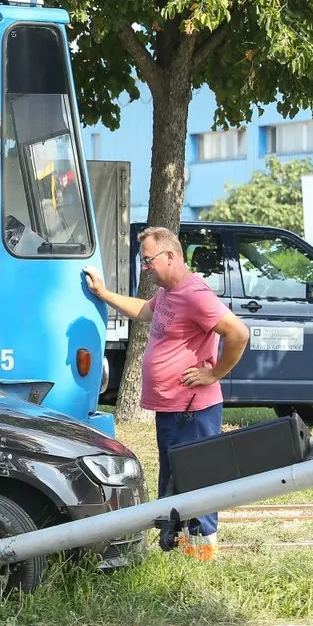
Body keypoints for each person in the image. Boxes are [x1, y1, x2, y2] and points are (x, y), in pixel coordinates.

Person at [84, 226, 250, 561]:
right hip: (172, 407)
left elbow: (238, 333)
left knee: (198, 476)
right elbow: (144, 311)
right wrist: (104, 294)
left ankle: (203, 553)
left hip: (193, 408)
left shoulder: (194, 293)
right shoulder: (168, 294)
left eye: (148, 260)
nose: (145, 267)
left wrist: (213, 373)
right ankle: (178, 546)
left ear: (170, 256)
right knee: (175, 475)